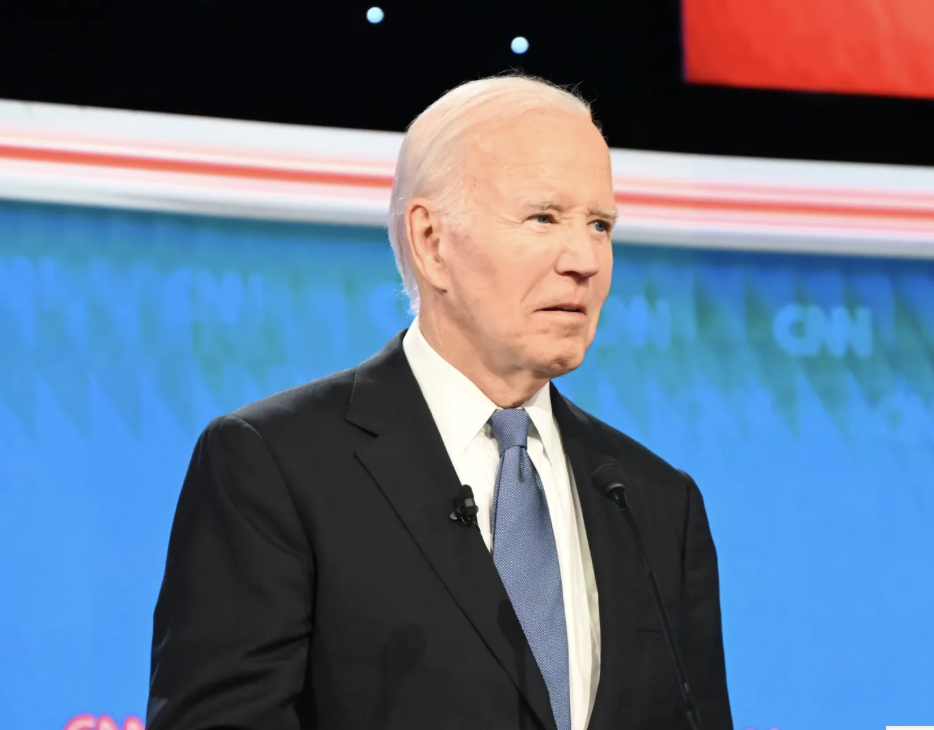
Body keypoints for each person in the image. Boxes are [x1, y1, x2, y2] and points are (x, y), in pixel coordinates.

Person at [147, 74, 732, 730]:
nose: (586, 259)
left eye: (600, 224)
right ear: (431, 242)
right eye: (544, 216)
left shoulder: (654, 501)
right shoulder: (274, 467)